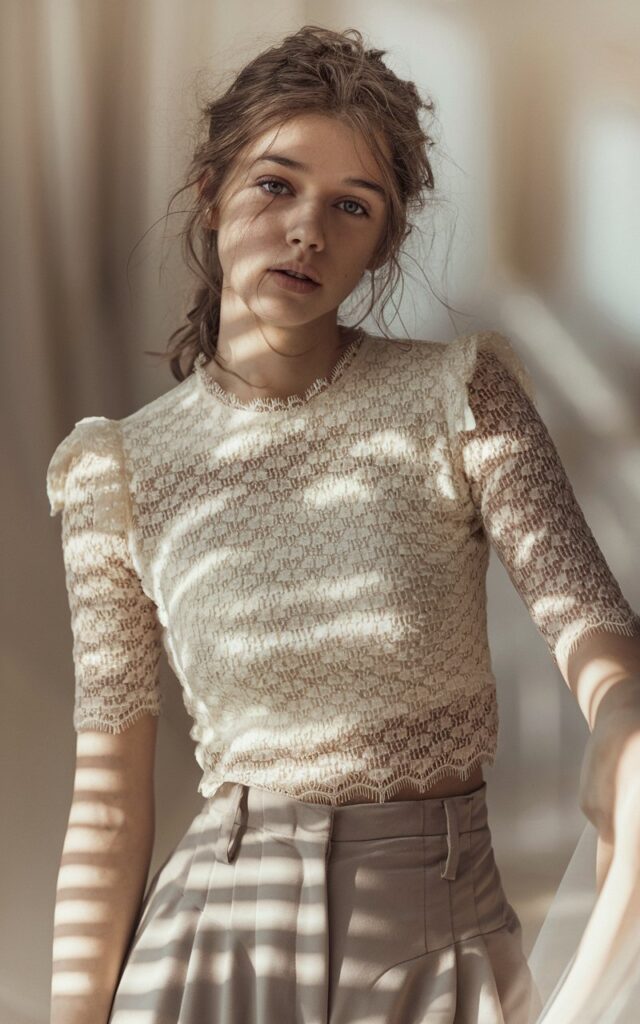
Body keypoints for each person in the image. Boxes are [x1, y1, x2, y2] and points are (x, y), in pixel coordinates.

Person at [46, 24, 640, 1024]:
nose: (306, 230)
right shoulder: (120, 470)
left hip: (437, 949)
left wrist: (620, 711)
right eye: (275, 185)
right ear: (211, 189)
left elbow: (584, 616)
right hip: (209, 953)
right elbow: (109, 807)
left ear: (384, 240)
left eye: (349, 206)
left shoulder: (459, 394)